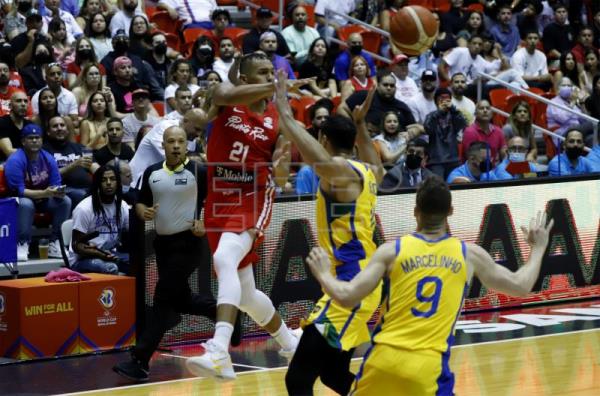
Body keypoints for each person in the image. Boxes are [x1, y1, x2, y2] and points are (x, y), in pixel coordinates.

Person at [305, 175, 554, 395]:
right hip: (427, 367)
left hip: (382, 360)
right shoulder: (468, 254)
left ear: (415, 211)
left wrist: (324, 274)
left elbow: (347, 296)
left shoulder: (392, 251)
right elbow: (521, 286)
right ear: (451, 211)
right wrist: (538, 248)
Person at [185, 53, 302, 381]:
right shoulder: (225, 99)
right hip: (218, 197)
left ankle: (220, 351)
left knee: (224, 259)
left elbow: (280, 178)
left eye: (273, 72)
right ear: (246, 79)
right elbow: (220, 94)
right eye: (262, 73)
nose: (270, 77)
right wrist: (278, 84)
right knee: (246, 293)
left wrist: (280, 161)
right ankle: (290, 342)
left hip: (253, 195)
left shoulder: (279, 117)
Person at [274, 73, 385, 396]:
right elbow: (373, 160)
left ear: (324, 140)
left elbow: (317, 159)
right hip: (357, 281)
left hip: (349, 288)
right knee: (334, 376)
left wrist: (283, 109)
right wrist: (362, 124)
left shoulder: (340, 173)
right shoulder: (369, 171)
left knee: (297, 380)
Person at [113, 126, 240, 381]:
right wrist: (141, 210)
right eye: (171, 141)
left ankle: (140, 360)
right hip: (163, 245)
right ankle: (227, 314)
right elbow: (139, 198)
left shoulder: (198, 171)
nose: (176, 146)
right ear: (163, 145)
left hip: (189, 245)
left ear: (186, 145)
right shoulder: (153, 172)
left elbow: (219, 201)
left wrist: (205, 223)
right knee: (181, 300)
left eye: (180, 141)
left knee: (162, 298)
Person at [4, 124, 71, 261]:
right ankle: (22, 243)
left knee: (65, 201)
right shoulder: (15, 160)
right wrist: (45, 193)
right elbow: (19, 191)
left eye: (37, 138)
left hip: (43, 198)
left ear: (41, 140)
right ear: (23, 141)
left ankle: (56, 242)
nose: (34, 141)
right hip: (18, 200)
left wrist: (58, 192)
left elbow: (55, 184)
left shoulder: (48, 158)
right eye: (30, 138)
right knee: (26, 204)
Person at [70, 165, 129, 274]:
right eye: (103, 180)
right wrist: (100, 254)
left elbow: (130, 234)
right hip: (82, 260)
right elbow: (77, 245)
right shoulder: (84, 208)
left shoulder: (122, 206)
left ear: (118, 183)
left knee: (139, 264)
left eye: (112, 179)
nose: (108, 183)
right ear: (97, 183)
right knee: (110, 268)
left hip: (111, 254)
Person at [43, 115, 93, 209]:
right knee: (83, 196)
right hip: (63, 190)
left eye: (62, 125)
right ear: (48, 132)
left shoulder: (78, 147)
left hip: (87, 188)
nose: (59, 128)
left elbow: (94, 166)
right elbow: (48, 176)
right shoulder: (44, 151)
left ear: (67, 130)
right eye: (55, 126)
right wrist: (74, 164)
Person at [0, 91, 32, 161]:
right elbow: (9, 152)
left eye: (26, 101)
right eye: (18, 101)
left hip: (26, 161)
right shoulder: (2, 122)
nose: (23, 104)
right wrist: (32, 151)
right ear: (10, 105)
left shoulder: (30, 124)